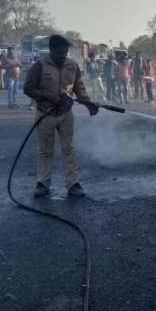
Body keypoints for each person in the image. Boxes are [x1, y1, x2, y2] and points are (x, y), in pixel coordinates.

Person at [23, 34, 99, 198]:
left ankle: (73, 184)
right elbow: (28, 89)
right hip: (45, 114)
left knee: (69, 149)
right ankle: (42, 183)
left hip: (66, 114)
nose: (64, 55)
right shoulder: (39, 66)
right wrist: (51, 97)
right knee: (45, 151)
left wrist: (88, 103)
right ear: (51, 49)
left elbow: (79, 88)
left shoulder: (72, 66)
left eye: (66, 52)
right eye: (60, 52)